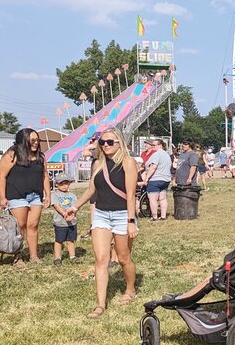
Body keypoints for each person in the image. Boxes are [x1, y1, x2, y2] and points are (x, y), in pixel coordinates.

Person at [68, 128, 140, 319]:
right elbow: (91, 189)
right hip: (101, 214)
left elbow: (131, 195)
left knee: (124, 258)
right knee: (101, 259)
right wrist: (75, 207)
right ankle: (100, 304)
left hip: (123, 215)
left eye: (110, 142)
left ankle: (130, 289)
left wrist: (131, 221)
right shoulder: (98, 164)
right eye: (102, 142)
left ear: (119, 143)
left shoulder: (128, 162)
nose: (105, 145)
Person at [0, 128, 50, 265]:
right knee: (20, 226)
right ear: (23, 140)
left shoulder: (41, 157)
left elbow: (45, 176)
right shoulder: (12, 155)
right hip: (16, 196)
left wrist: (48, 194)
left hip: (35, 196)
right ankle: (18, 257)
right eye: (32, 140)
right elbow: (2, 176)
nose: (36, 143)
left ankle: (34, 256)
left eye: (37, 140)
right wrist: (2, 197)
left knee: (33, 225)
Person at [50, 173, 79, 266]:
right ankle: (57, 257)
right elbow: (56, 206)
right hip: (60, 223)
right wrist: (64, 213)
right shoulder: (54, 194)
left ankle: (72, 256)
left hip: (72, 222)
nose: (64, 186)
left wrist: (73, 214)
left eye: (66, 183)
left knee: (71, 240)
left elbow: (75, 206)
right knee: (59, 240)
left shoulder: (72, 195)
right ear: (56, 184)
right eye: (61, 184)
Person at [142, 139, 172, 221]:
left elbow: (153, 167)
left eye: (154, 145)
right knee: (162, 198)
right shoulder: (167, 155)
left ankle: (154, 217)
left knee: (152, 199)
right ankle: (163, 216)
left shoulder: (156, 154)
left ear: (160, 145)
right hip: (166, 179)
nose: (152, 146)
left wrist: (146, 178)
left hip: (155, 179)